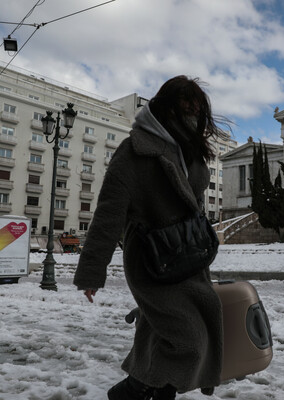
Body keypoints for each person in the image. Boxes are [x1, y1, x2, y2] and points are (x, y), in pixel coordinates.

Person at [73, 76, 228, 400]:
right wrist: (91, 271)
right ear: (165, 108)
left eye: (197, 110)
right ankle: (131, 391)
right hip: (152, 261)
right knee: (188, 338)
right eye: (185, 108)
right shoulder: (134, 150)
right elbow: (108, 215)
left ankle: (148, 391)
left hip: (189, 256)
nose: (191, 116)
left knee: (164, 332)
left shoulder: (190, 150)